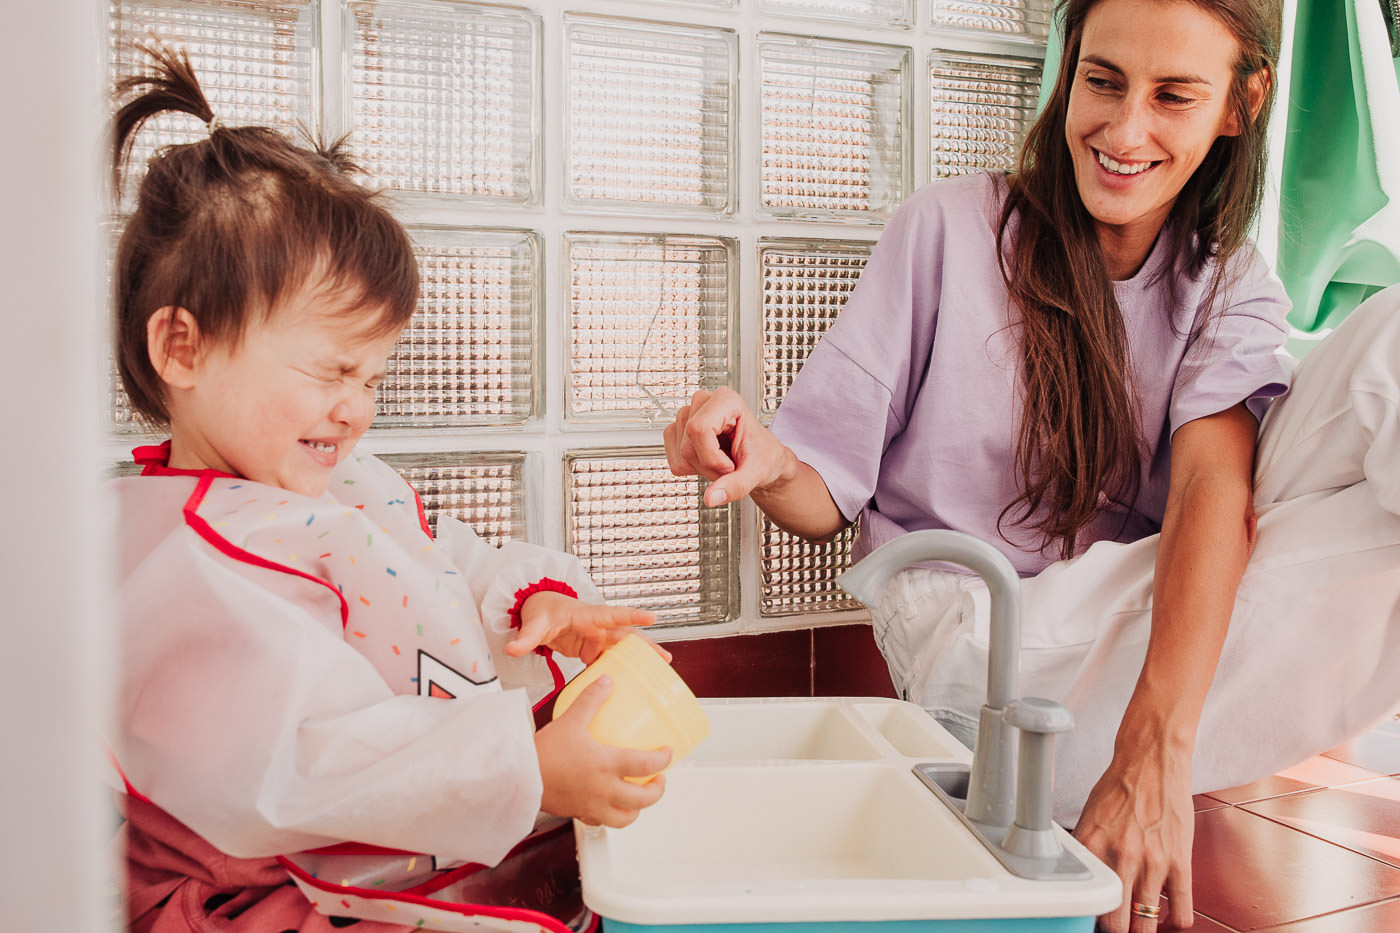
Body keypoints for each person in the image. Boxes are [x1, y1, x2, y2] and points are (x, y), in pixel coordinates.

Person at [664, 1, 1400, 931]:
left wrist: (1155, 754)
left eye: (1175, 94)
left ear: (1241, 102)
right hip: (991, 659)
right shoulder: (947, 230)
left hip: (1137, 642)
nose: (1123, 130)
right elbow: (823, 495)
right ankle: (1142, 746)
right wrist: (765, 459)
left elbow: (1220, 491)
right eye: (1102, 79)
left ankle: (1150, 744)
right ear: (1069, 67)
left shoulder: (1227, 280)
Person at [106, 45, 671, 933]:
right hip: (263, 892)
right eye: (334, 369)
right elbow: (302, 758)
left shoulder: (320, 480)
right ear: (183, 349)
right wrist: (521, 763)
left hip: (369, 855)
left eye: (372, 377)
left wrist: (538, 603)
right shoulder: (176, 563)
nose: (357, 410)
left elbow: (434, 566)